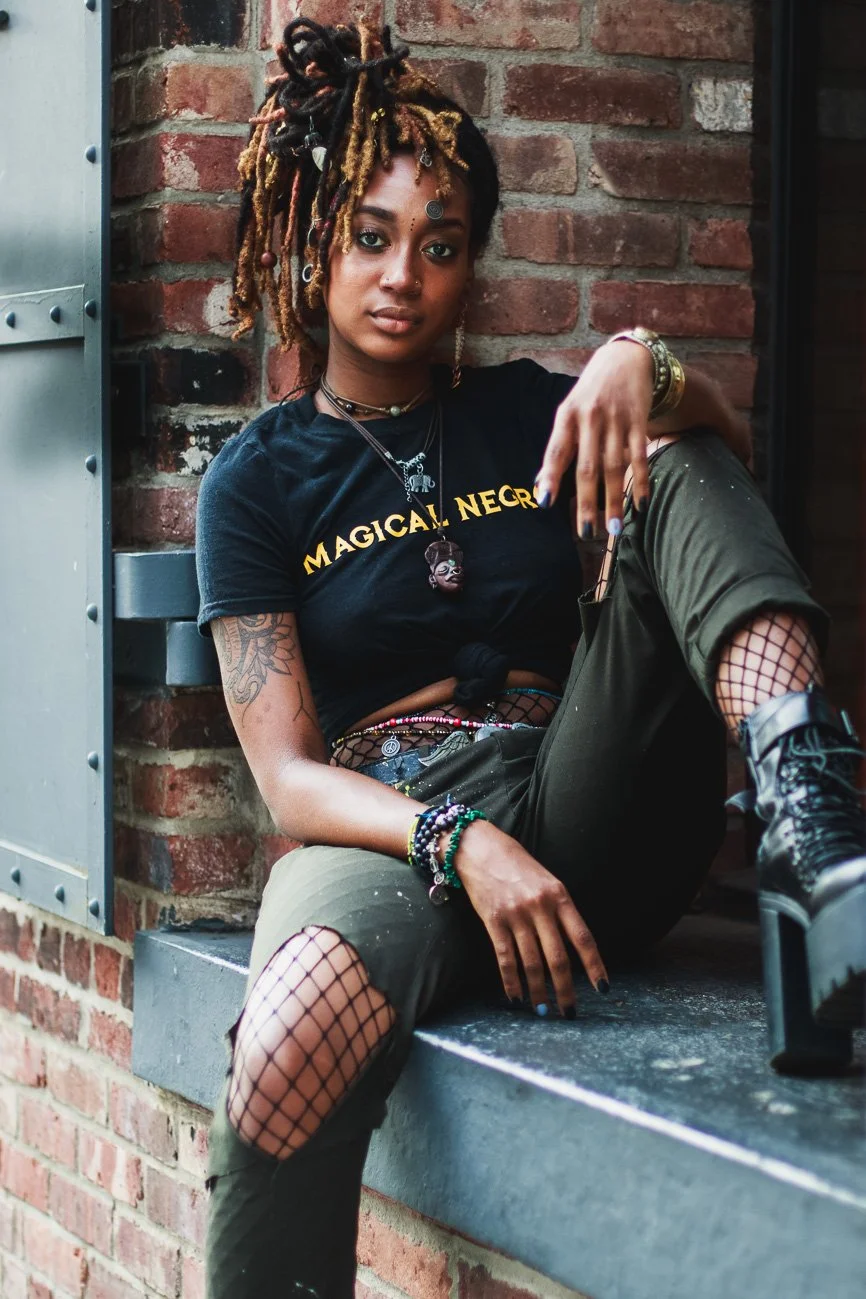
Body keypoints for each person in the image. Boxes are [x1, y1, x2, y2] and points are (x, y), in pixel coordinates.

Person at [195, 18, 866, 1298]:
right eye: (370, 236)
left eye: (440, 245)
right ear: (311, 242)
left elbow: (717, 451)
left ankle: (811, 824)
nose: (403, 275)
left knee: (672, 451)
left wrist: (636, 365)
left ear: (471, 267)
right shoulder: (257, 480)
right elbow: (285, 778)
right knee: (281, 1055)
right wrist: (457, 841)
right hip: (391, 832)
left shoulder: (523, 413)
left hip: (582, 789)